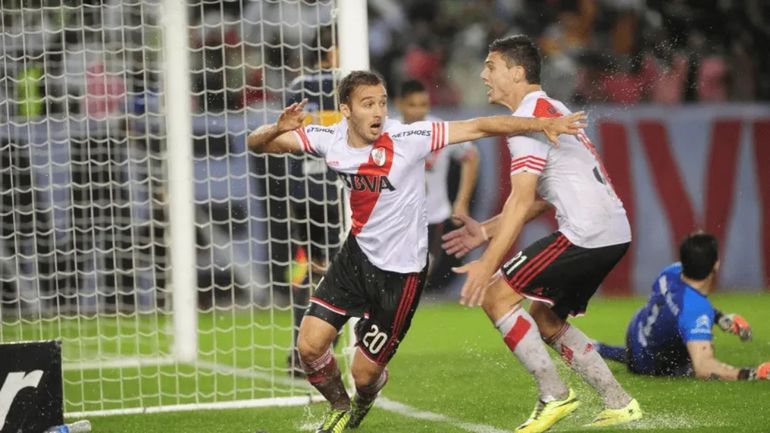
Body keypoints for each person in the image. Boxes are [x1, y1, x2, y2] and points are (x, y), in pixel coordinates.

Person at [248, 70, 585, 433]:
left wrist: (539, 123)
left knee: (364, 376)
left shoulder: (409, 136)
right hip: (355, 258)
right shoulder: (328, 138)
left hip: (402, 274)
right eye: (367, 104)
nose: (378, 111)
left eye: (381, 102)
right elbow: (258, 144)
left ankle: (362, 397)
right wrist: (276, 127)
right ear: (345, 110)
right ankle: (340, 409)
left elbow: (479, 127)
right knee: (309, 347)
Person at [442, 35, 641, 433]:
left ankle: (554, 395)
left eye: (491, 66)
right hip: (612, 230)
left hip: (587, 232)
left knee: (497, 296)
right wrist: (484, 230)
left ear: (516, 73)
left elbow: (520, 203)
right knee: (545, 319)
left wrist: (487, 265)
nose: (483, 75)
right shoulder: (551, 110)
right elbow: (539, 201)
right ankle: (619, 403)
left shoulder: (528, 124)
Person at [595, 232, 770, 380]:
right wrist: (752, 373)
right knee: (694, 365)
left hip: (635, 331)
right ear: (716, 264)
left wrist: (720, 318)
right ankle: (606, 351)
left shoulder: (671, 271)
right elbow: (703, 366)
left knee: (656, 344)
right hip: (647, 365)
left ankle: (598, 348)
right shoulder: (696, 310)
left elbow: (676, 306)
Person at [284, 25, 343, 378]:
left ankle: (298, 347)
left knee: (304, 269)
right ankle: (323, 345)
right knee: (340, 272)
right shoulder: (349, 83)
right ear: (331, 51)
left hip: (301, 192)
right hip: (337, 193)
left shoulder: (295, 87)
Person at [396, 79, 479, 293]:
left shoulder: (439, 130)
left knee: (422, 268)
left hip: (432, 215)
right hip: (396, 216)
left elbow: (471, 156)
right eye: (412, 105)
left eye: (423, 105)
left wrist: (461, 202)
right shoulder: (389, 132)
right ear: (400, 104)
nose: (419, 111)